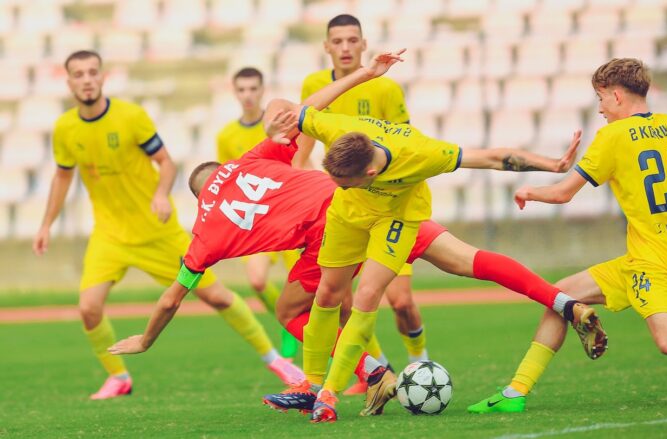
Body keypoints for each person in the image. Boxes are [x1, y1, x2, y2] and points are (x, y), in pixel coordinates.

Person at [109, 52, 605, 419]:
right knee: (460, 259)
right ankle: (563, 303)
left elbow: (174, 297)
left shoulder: (205, 231)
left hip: (339, 220)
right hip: (372, 207)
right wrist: (366, 72)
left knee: (311, 307)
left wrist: (146, 340)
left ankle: (348, 380)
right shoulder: (253, 159)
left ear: (199, 197)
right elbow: (303, 112)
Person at [261, 54, 607, 424]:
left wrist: (552, 166)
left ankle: (329, 393)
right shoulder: (341, 129)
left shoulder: (421, 153)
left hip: (397, 221)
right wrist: (274, 125)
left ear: (373, 171)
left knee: (368, 296)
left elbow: (492, 157)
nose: (336, 185)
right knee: (329, 294)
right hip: (348, 218)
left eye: (344, 181)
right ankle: (314, 385)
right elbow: (286, 108)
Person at [468, 58, 667, 414]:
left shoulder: (612, 137)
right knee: (560, 299)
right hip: (657, 251)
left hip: (652, 260)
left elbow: (563, 194)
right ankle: (515, 394)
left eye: (600, 98)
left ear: (616, 95)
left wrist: (528, 191)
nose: (599, 108)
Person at [32, 50, 303, 400]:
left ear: (102, 77)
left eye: (92, 72)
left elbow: (167, 163)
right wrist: (45, 224)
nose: (86, 79)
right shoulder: (65, 128)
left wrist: (161, 194)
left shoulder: (131, 117)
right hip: (110, 235)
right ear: (68, 82)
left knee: (218, 297)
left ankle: (277, 361)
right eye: (79, 74)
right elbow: (62, 176)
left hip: (158, 232)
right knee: (88, 308)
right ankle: (118, 378)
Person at [297, 14, 425, 388]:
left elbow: (407, 144)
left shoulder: (385, 90)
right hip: (346, 209)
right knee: (344, 301)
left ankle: (421, 366)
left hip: (390, 207)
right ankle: (380, 371)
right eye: (337, 41)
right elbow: (302, 148)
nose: (345, 48)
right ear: (326, 47)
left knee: (400, 301)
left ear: (364, 44)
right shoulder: (314, 85)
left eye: (352, 40)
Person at [217, 66, 300, 358]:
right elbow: (228, 180)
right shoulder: (227, 135)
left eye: (253, 88)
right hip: (257, 220)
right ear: (235, 92)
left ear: (263, 90)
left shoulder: (280, 122)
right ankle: (287, 323)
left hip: (290, 216)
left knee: (306, 287)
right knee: (256, 280)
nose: (248, 95)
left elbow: (302, 161)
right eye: (242, 89)